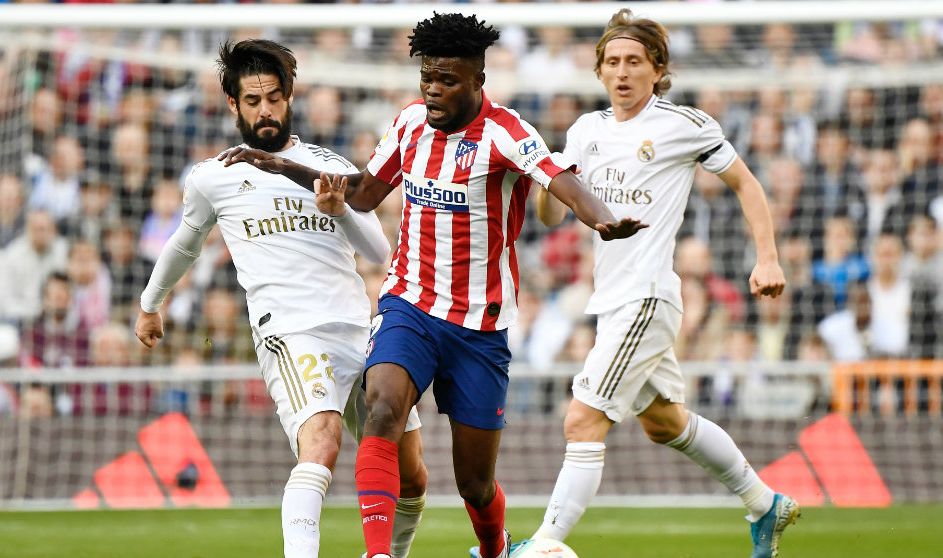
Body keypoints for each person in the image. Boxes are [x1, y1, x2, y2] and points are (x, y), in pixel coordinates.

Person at [219, 13, 646, 558]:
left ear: (477, 81)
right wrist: (282, 167)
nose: (435, 91)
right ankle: (379, 555)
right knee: (382, 410)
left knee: (474, 484)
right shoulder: (409, 125)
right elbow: (365, 193)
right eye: (428, 79)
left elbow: (560, 182)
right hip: (410, 305)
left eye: (448, 81)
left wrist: (602, 220)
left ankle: (494, 548)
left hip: (480, 327)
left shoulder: (505, 132)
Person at [134, 40, 427, 558]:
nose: (264, 109)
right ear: (234, 105)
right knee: (322, 441)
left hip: (361, 329)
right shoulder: (212, 176)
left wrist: (338, 209)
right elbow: (185, 241)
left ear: (290, 96)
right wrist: (150, 303)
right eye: (252, 100)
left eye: (273, 96)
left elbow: (380, 251)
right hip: (290, 331)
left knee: (414, 478)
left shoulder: (324, 164)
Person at [530, 9, 798, 558]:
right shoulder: (585, 131)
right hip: (612, 299)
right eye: (612, 62)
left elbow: (747, 185)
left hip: (647, 297)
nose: (622, 72)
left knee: (582, 418)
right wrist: (547, 176)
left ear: (658, 69)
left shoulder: (685, 125)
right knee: (663, 422)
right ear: (600, 71)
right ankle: (765, 502)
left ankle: (544, 545)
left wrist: (767, 258)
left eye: (634, 61)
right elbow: (550, 218)